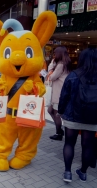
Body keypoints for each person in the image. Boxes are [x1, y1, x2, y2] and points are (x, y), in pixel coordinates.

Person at [58, 48, 97, 182]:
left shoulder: (73, 75)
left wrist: (61, 111)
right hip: (92, 118)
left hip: (72, 116)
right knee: (88, 146)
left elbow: (64, 96)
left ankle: (67, 173)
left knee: (69, 143)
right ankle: (83, 172)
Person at [47, 47, 71, 141]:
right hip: (59, 91)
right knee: (50, 110)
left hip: (59, 93)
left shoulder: (61, 65)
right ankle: (60, 130)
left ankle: (59, 133)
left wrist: (50, 67)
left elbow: (52, 77)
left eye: (55, 53)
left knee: (56, 113)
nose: (54, 55)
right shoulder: (64, 64)